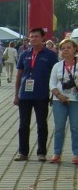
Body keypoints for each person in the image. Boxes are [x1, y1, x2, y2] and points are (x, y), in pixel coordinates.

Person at [13, 28, 59, 162]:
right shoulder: (24, 54)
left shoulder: (50, 55)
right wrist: (16, 95)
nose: (33, 39)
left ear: (43, 38)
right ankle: (23, 152)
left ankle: (41, 152)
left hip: (41, 94)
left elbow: (55, 75)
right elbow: (19, 75)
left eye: (36, 36)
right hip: (25, 96)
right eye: (31, 37)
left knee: (41, 124)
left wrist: (54, 92)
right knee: (23, 125)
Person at [48, 37, 78, 164]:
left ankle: (76, 154)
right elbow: (52, 83)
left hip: (75, 100)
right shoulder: (57, 66)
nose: (65, 50)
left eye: (68, 48)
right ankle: (57, 153)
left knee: (75, 127)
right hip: (59, 100)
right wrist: (58, 95)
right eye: (63, 48)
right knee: (59, 127)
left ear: (75, 49)